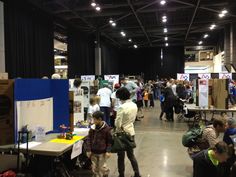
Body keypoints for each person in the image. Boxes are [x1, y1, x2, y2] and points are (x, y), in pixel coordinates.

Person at [115, 87, 141, 177]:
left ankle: (121, 174)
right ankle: (137, 173)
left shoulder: (121, 107)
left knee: (121, 156)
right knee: (131, 155)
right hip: (131, 131)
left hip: (121, 134)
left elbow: (117, 123)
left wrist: (118, 126)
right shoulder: (134, 105)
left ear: (121, 97)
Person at [86, 111, 112, 177]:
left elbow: (109, 141)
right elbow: (89, 139)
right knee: (94, 169)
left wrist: (108, 151)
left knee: (102, 168)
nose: (93, 121)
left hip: (102, 153)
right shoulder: (92, 129)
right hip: (93, 152)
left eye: (94, 119)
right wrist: (88, 150)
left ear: (100, 119)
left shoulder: (107, 129)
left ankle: (105, 174)